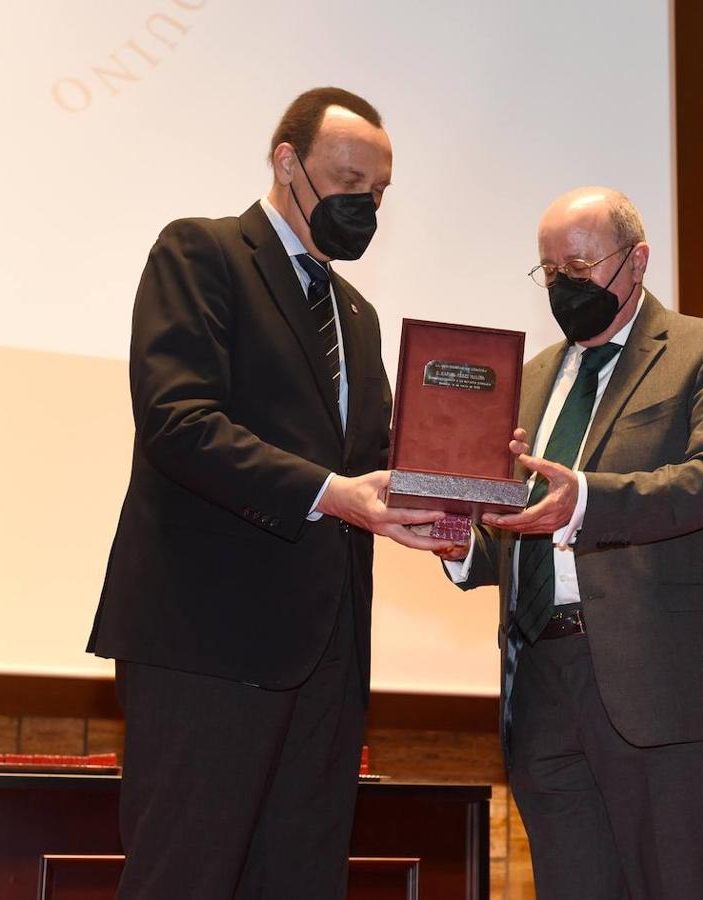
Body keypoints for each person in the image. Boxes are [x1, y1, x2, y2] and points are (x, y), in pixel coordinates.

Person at [87, 87, 451, 899]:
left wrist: (457, 481)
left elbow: (373, 462)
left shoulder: (354, 312)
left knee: (300, 879)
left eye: (380, 193)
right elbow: (178, 422)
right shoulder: (202, 254)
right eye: (349, 182)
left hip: (326, 655)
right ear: (287, 162)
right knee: (184, 877)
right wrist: (333, 494)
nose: (365, 207)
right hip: (206, 646)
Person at [440, 186, 703, 899]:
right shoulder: (527, 380)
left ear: (636, 259)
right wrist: (458, 539)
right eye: (550, 271)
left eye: (579, 265)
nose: (564, 285)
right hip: (541, 684)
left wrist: (584, 498)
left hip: (660, 686)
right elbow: (524, 526)